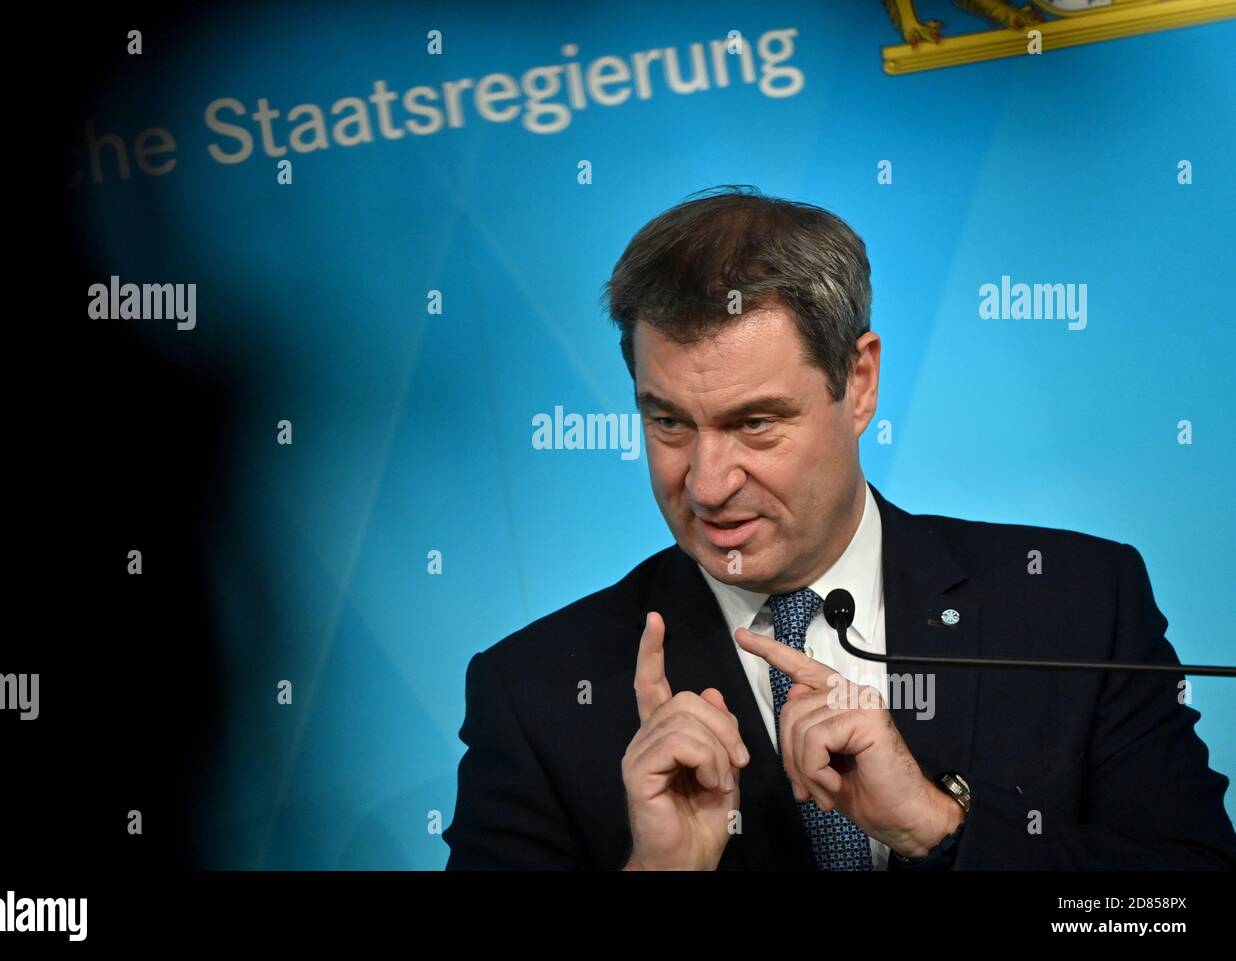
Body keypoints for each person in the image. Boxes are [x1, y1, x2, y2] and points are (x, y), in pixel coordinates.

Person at [442, 186, 1236, 870]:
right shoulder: (534, 693)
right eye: (670, 423)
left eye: (755, 422)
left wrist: (941, 827)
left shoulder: (1077, 606)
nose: (708, 484)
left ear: (858, 383)